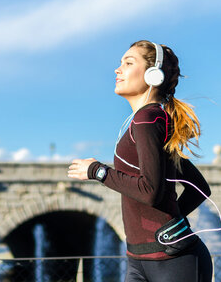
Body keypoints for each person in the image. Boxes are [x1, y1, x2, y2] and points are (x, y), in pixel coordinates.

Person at [68, 40, 213, 282]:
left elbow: (150, 192)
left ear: (152, 75)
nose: (118, 69)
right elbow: (200, 187)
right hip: (139, 260)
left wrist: (97, 171)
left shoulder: (148, 119)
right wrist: (168, 226)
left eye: (128, 62)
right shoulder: (149, 120)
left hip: (174, 262)